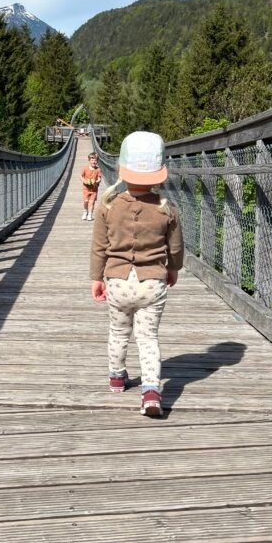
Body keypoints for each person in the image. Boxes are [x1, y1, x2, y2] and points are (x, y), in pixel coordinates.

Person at [90, 131, 183, 417]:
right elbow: (176, 248)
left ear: (121, 168)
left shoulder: (107, 205)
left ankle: (117, 378)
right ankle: (152, 390)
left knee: (119, 331)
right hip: (152, 282)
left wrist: (96, 278)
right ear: (160, 173)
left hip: (117, 281)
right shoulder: (167, 208)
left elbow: (99, 247)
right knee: (148, 337)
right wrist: (173, 269)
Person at [79, 151, 103, 221]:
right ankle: (85, 211)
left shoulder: (98, 170)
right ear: (89, 160)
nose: (94, 161)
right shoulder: (85, 168)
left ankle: (90, 214)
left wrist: (97, 181)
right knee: (86, 201)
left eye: (95, 160)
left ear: (97, 161)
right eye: (92, 160)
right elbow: (81, 176)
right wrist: (84, 181)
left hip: (94, 189)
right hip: (86, 188)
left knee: (91, 202)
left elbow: (99, 178)